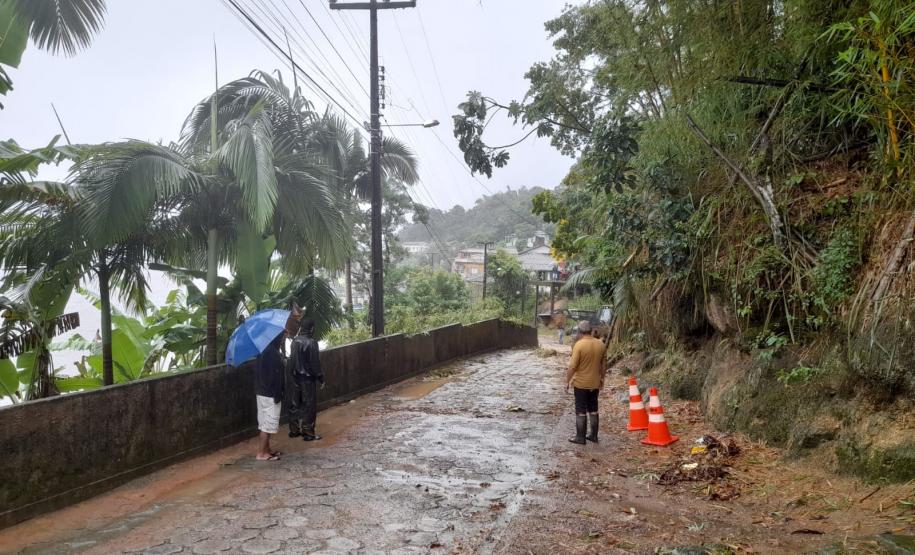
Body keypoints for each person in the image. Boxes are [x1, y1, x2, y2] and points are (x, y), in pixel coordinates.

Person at [564, 321, 607, 445]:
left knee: (581, 410)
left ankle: (580, 437)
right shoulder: (601, 345)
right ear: (591, 330)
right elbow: (604, 365)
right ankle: (593, 435)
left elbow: (572, 367)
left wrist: (567, 381)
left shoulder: (579, 345)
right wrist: (602, 379)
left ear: (580, 332)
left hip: (581, 384)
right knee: (593, 408)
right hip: (595, 383)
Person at [288, 318, 325, 441]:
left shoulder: (295, 342)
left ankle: (294, 430)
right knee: (309, 405)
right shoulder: (312, 342)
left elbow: (291, 361)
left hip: (295, 377)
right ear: (312, 328)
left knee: (295, 404)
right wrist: (320, 378)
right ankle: (308, 431)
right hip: (307, 379)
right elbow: (315, 364)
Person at [255, 333, 285, 461]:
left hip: (261, 392)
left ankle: (267, 450)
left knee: (264, 423)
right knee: (268, 426)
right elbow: (275, 376)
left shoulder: (262, 351)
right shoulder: (273, 354)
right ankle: (261, 453)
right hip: (270, 394)